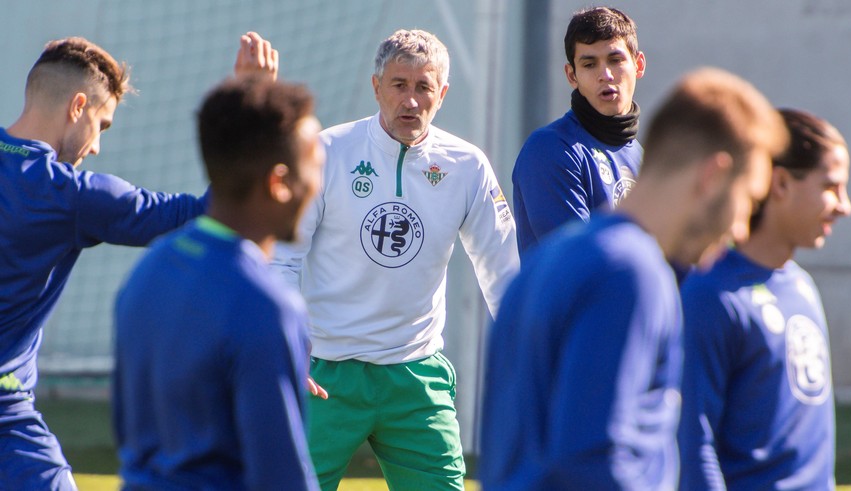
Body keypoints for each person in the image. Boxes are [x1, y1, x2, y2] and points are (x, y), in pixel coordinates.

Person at [479, 67, 788, 490]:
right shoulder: (631, 272)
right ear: (712, 177)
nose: (740, 230)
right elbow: (591, 464)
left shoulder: (549, 261)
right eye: (747, 201)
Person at [0, 34, 268, 489]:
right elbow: (209, 214)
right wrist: (249, 106)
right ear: (77, 105)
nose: (97, 146)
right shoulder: (69, 196)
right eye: (101, 125)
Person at [272, 28, 519, 490]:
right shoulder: (326, 152)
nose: (411, 100)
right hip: (324, 371)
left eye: (424, 87)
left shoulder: (467, 165)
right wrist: (288, 348)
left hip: (416, 372)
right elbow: (282, 258)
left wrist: (530, 358)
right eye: (399, 85)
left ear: (442, 93)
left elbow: (503, 274)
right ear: (376, 88)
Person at [113, 74, 324, 490]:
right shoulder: (266, 304)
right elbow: (280, 477)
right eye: (316, 166)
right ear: (279, 183)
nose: (318, 185)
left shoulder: (149, 270)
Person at [678, 109, 851, 490]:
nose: (844, 206)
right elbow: (693, 446)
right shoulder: (711, 296)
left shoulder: (803, 286)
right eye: (831, 187)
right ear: (781, 183)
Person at [512, 6, 645, 257]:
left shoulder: (640, 156)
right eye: (589, 64)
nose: (605, 75)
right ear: (572, 75)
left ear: (638, 65)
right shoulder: (551, 149)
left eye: (615, 60)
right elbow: (580, 261)